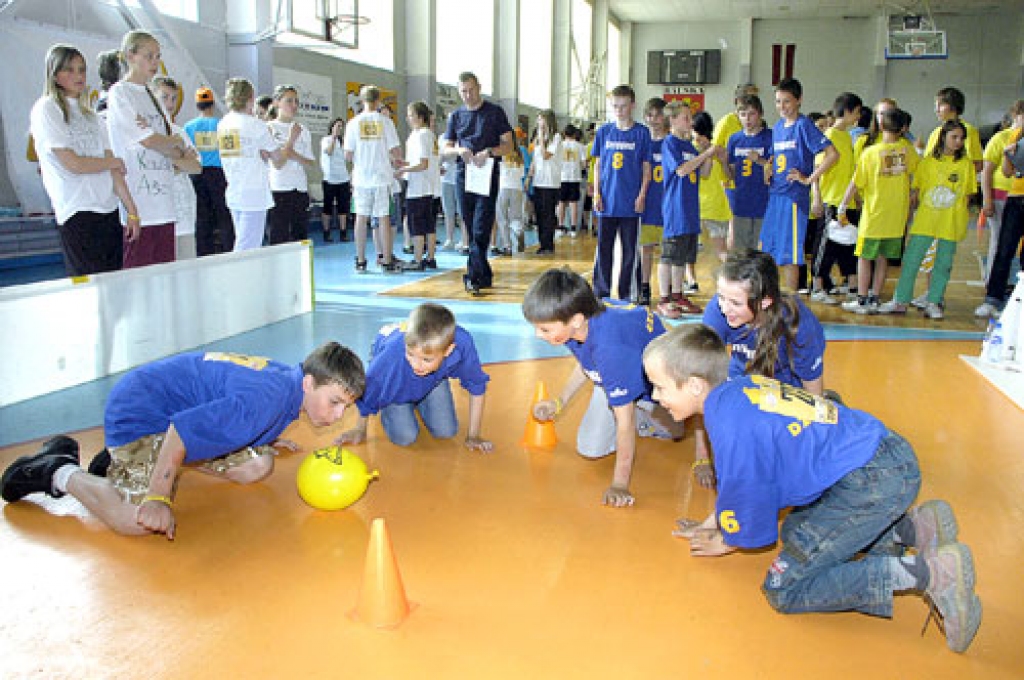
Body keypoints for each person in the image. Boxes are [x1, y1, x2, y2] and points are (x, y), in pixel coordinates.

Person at [642, 324, 981, 654]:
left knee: (784, 588)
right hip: (882, 456)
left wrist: (727, 539)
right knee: (793, 529)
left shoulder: (730, 428)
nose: (655, 397)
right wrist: (712, 521)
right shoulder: (736, 391)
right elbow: (750, 481)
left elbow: (749, 494)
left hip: (874, 481)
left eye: (660, 387)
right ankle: (910, 528)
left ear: (696, 386)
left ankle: (930, 573)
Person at [0, 342, 365, 540]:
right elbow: (182, 430)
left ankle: (123, 465)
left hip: (170, 409)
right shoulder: (263, 402)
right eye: (333, 402)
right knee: (136, 521)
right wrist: (158, 497)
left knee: (258, 465)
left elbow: (225, 408)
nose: (335, 417)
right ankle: (57, 469)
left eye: (344, 408)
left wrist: (266, 438)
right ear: (308, 383)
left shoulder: (286, 384)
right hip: (141, 414)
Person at [522, 269, 682, 508]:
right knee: (590, 447)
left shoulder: (610, 348)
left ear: (576, 320)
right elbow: (587, 363)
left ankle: (643, 406)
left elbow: (625, 423)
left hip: (659, 377)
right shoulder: (577, 326)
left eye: (544, 329)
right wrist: (559, 402)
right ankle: (633, 403)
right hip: (622, 367)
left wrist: (620, 483)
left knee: (674, 431)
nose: (538, 335)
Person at [696, 248, 826, 484]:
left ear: (765, 301)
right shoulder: (718, 312)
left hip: (788, 382)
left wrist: (815, 447)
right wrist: (704, 457)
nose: (725, 308)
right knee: (739, 437)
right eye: (720, 296)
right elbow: (703, 384)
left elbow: (812, 387)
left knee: (784, 454)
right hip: (743, 375)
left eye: (735, 302)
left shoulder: (798, 323)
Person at [30, 43, 140, 276]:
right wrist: (110, 163)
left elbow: (114, 167)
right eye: (69, 70)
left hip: (107, 209)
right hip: (77, 209)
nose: (78, 76)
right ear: (55, 74)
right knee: (86, 283)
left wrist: (131, 210)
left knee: (114, 279)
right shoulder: (47, 109)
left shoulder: (93, 116)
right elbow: (73, 163)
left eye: (81, 69)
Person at [336, 303, 492, 451]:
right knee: (405, 436)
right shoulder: (392, 357)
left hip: (432, 377)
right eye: (411, 354)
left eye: (426, 359)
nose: (417, 365)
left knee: (446, 431)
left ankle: (420, 395)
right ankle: (391, 404)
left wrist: (474, 435)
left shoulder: (462, 343)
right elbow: (370, 390)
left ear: (448, 351)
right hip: (393, 367)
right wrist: (360, 429)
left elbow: (477, 385)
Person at [106, 30, 190, 267]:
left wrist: (170, 143)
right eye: (149, 55)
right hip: (140, 202)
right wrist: (167, 141)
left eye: (158, 56)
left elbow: (173, 148)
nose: (155, 62)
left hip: (164, 203)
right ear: (131, 56)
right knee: (138, 275)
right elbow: (150, 141)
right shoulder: (120, 93)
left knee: (165, 275)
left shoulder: (153, 99)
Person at [878, 120, 977, 320]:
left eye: (961, 138)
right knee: (911, 260)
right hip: (925, 221)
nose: (958, 142)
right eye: (954, 137)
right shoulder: (928, 163)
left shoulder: (966, 165)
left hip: (950, 224)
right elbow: (916, 191)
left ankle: (933, 301)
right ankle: (900, 300)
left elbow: (967, 195)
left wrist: (960, 221)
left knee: (943, 264)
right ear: (943, 137)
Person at [840, 109, 919, 314]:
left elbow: (855, 182)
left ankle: (862, 299)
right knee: (883, 257)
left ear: (881, 126)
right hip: (896, 216)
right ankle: (875, 297)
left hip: (874, 214)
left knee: (865, 257)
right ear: (903, 128)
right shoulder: (907, 150)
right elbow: (916, 174)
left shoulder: (871, 153)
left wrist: (843, 205)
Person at [763, 78, 838, 292]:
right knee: (770, 250)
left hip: (794, 198)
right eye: (778, 101)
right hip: (775, 195)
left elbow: (832, 154)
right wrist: (768, 168)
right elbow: (775, 158)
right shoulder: (777, 127)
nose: (782, 107)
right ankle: (774, 300)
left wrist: (809, 179)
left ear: (799, 100)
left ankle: (791, 304)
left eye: (787, 101)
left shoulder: (804, 125)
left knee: (790, 255)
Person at [444, 72, 515, 295]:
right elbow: (446, 148)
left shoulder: (494, 113)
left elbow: (509, 145)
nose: (468, 95)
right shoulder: (455, 116)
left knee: (481, 225)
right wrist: (458, 150)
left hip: (487, 175)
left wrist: (490, 152)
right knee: (469, 224)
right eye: (463, 91)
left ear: (479, 87)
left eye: (471, 90)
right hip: (464, 175)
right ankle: (484, 272)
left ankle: (472, 277)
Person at [591, 84, 652, 301]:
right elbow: (597, 165)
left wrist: (642, 194)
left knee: (629, 252)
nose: (619, 110)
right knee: (603, 250)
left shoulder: (642, 133)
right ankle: (601, 293)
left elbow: (647, 168)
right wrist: (597, 193)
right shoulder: (604, 132)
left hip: (630, 203)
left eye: (623, 106)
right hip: (606, 202)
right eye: (615, 106)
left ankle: (628, 294)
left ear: (632, 106)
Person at [658, 100, 715, 318]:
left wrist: (706, 150)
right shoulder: (670, 143)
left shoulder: (690, 146)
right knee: (669, 255)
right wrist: (704, 156)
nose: (690, 122)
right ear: (672, 120)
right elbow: (682, 171)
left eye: (690, 118)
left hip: (691, 208)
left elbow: (705, 172)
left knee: (683, 255)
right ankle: (664, 298)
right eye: (686, 118)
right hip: (675, 208)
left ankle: (678, 294)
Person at [217, 77, 286, 251]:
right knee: (248, 245)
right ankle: (237, 276)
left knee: (243, 239)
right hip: (253, 192)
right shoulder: (256, 125)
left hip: (235, 189)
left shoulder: (224, 123)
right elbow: (278, 157)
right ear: (250, 99)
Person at [809, 92, 863, 304]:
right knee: (826, 245)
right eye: (857, 112)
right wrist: (817, 198)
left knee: (848, 244)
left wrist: (856, 198)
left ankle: (852, 285)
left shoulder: (847, 138)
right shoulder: (829, 136)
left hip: (845, 201)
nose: (858, 116)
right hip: (831, 200)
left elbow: (851, 171)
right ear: (848, 111)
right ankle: (817, 286)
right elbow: (817, 169)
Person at [344, 84, 403, 273]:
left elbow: (347, 154)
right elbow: (395, 150)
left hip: (361, 179)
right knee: (383, 218)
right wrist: (398, 161)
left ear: (362, 100)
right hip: (381, 178)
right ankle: (386, 260)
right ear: (378, 101)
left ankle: (360, 261)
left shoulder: (353, 123)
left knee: (361, 218)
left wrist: (362, 159)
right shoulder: (386, 122)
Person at [976, 120, 1024, 319]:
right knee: (1004, 249)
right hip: (1016, 199)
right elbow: (1007, 171)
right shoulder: (1017, 134)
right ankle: (992, 299)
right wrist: (1009, 155)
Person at [153, 76, 202, 260]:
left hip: (184, 211)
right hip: (159, 212)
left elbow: (196, 167)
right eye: (164, 97)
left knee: (187, 264)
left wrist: (174, 160)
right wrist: (180, 157)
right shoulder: (148, 132)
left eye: (173, 98)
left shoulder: (179, 132)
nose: (170, 103)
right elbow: (157, 166)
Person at [184, 86, 236, 254]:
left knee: (202, 216)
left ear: (197, 105)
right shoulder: (223, 125)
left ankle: (203, 252)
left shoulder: (188, 127)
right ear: (212, 104)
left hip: (197, 173)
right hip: (219, 173)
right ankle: (229, 249)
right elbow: (231, 152)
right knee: (224, 215)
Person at [723, 94, 772, 252]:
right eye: (743, 115)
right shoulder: (734, 139)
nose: (747, 119)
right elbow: (731, 175)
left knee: (761, 251)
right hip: (741, 202)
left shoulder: (770, 137)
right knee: (741, 252)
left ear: (760, 114)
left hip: (764, 201)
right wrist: (723, 161)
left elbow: (778, 170)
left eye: (752, 114)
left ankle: (760, 278)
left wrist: (760, 160)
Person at [266, 84, 314, 245]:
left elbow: (310, 162)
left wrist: (293, 155)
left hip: (299, 188)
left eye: (296, 102)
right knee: (279, 235)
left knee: (300, 236)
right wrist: (291, 140)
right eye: (289, 101)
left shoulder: (303, 130)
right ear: (277, 103)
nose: (294, 105)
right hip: (279, 188)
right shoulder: (269, 128)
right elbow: (277, 163)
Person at [395, 101, 438, 271]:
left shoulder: (421, 135)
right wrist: (404, 163)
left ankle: (418, 259)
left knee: (417, 224)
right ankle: (431, 258)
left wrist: (403, 169)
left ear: (420, 117)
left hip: (418, 187)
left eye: (411, 115)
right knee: (428, 224)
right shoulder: (429, 135)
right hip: (428, 187)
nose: (408, 118)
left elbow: (423, 163)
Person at [637, 98, 669, 307]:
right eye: (650, 115)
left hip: (668, 205)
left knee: (669, 252)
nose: (654, 119)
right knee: (646, 249)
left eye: (658, 115)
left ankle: (669, 292)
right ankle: (644, 287)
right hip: (648, 203)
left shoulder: (672, 142)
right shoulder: (644, 143)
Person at [693, 110, 732, 267]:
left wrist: (723, 161)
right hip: (695, 206)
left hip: (716, 207)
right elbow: (702, 173)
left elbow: (727, 176)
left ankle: (730, 279)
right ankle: (691, 280)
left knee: (721, 250)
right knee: (691, 251)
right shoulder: (690, 149)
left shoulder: (717, 149)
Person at [525, 108, 563, 255]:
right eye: (538, 119)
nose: (539, 122)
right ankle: (542, 243)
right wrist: (529, 177)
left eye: (541, 119)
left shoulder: (556, 137)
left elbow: (545, 155)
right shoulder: (538, 138)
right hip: (538, 181)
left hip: (551, 182)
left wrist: (541, 138)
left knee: (548, 214)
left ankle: (548, 244)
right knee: (539, 214)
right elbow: (535, 159)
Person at [320, 116, 351, 242]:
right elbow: (329, 152)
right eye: (337, 126)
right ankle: (326, 232)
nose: (339, 129)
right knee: (327, 207)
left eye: (341, 127)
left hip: (343, 178)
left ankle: (343, 233)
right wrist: (333, 137)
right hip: (329, 179)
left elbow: (348, 158)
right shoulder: (326, 140)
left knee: (343, 207)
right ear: (332, 127)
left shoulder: (343, 142)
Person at [496, 142, 526, 254]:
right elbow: (522, 175)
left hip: (503, 188)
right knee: (516, 216)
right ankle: (518, 230)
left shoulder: (502, 157)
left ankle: (507, 246)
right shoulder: (519, 158)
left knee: (502, 218)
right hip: (517, 188)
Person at [558, 124, 586, 236]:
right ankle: (573, 228)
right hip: (575, 177)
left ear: (564, 134)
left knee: (561, 202)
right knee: (573, 202)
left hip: (562, 177)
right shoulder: (580, 146)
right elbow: (584, 164)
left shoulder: (560, 145)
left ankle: (560, 226)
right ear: (575, 134)